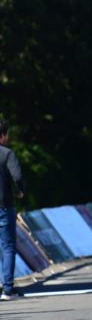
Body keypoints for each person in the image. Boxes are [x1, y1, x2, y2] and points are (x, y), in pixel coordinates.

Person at [0, 120, 25, 300]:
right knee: (8, 246)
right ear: (3, 135)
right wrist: (21, 191)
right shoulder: (7, 154)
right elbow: (17, 176)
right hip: (3, 205)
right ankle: (7, 288)